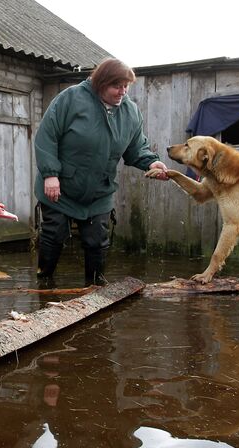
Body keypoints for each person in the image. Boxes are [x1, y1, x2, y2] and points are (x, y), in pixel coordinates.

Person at [34, 57, 167, 285]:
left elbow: (136, 147)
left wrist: (151, 162)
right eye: (117, 86)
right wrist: (50, 174)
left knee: (97, 240)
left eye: (126, 86)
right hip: (61, 185)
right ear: (100, 83)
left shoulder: (130, 112)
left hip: (99, 190)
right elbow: (47, 136)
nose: (122, 92)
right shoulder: (72, 98)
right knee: (54, 234)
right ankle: (44, 282)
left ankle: (95, 289)